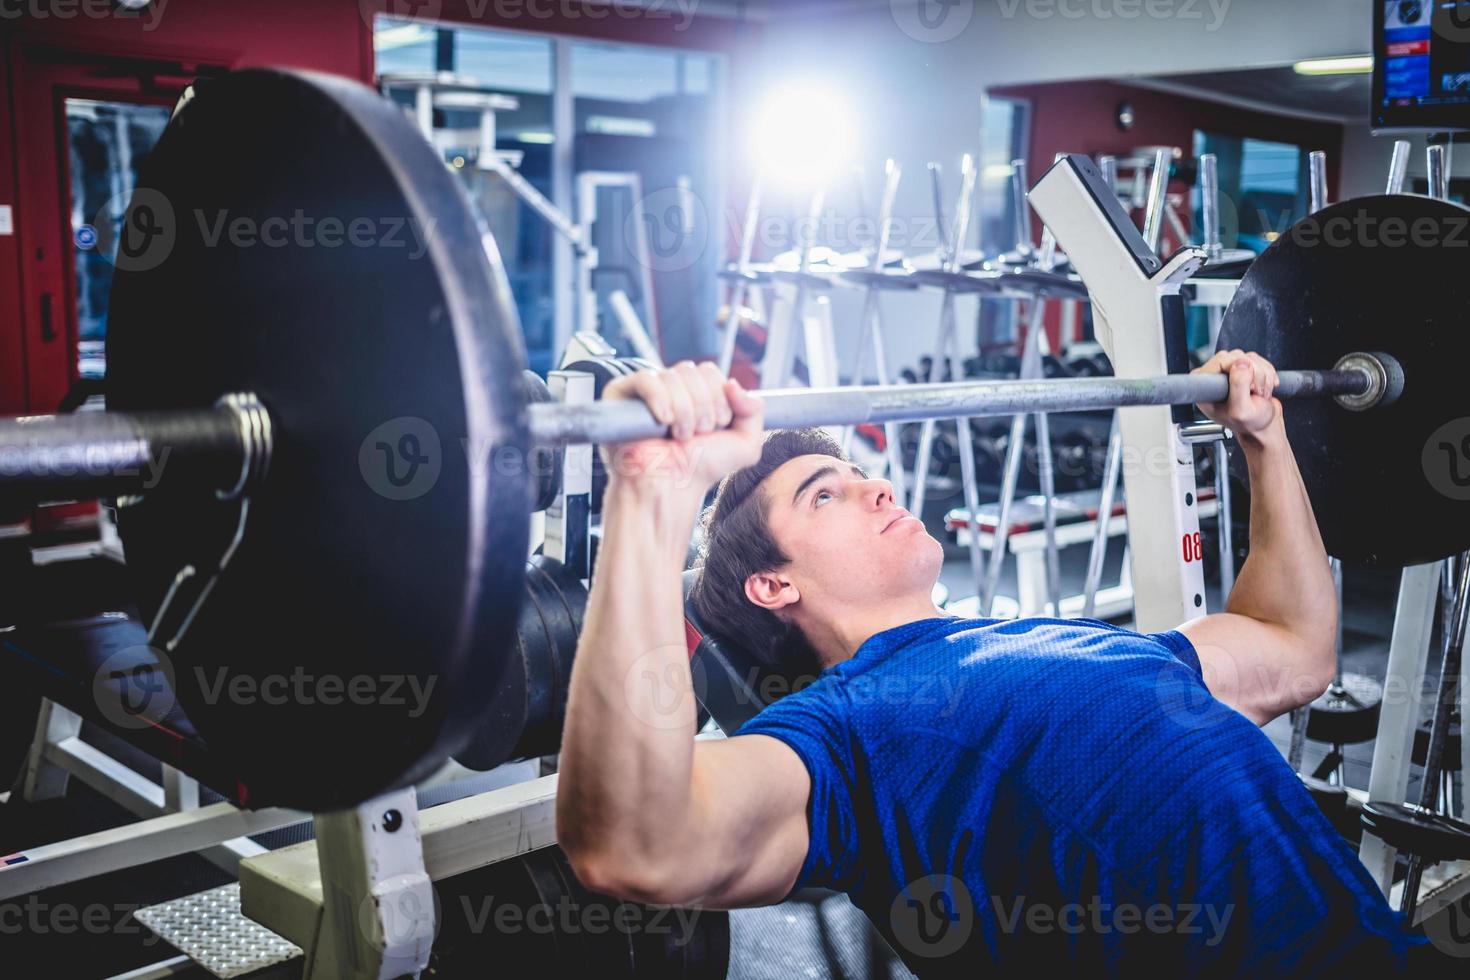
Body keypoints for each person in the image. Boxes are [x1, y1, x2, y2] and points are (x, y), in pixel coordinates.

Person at [555, 351, 1424, 974]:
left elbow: (1293, 646)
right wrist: (653, 496)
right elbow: (639, 843)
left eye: (860, 474)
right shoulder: (840, 730)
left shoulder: (1074, 640)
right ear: (774, 587)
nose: (878, 487)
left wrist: (1264, 439)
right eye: (828, 494)